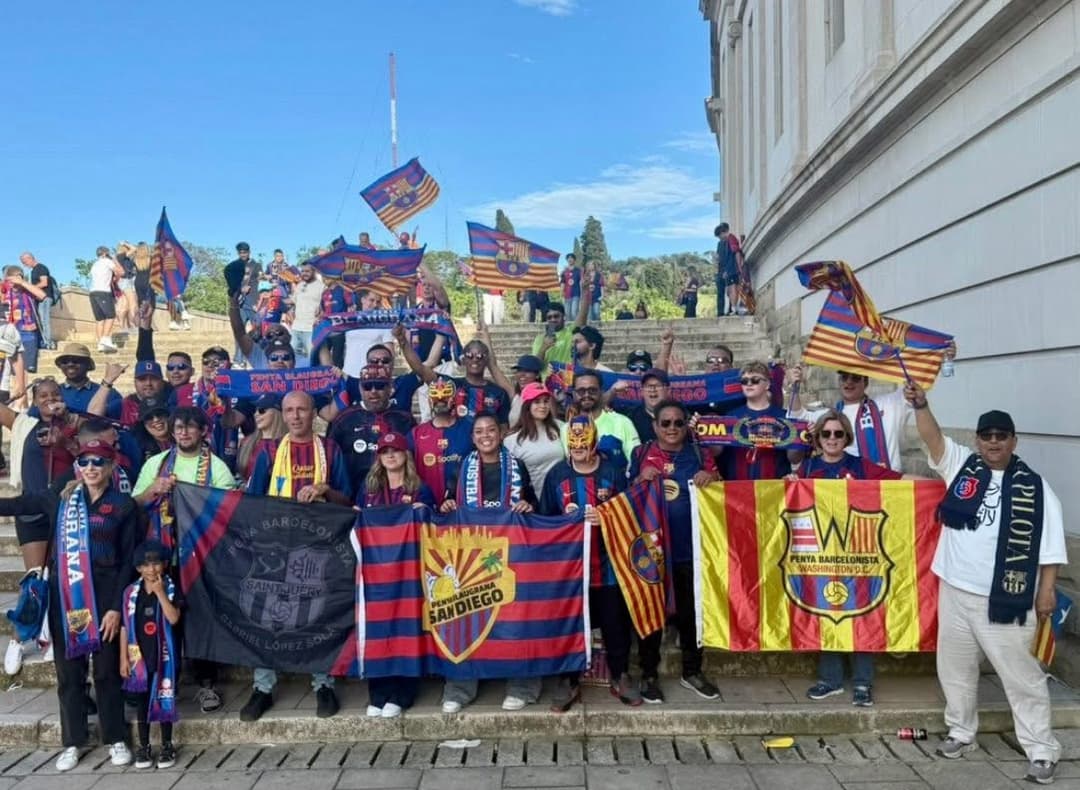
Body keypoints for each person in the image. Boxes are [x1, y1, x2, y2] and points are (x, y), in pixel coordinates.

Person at [907, 383, 1066, 784]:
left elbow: (1050, 548)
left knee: (1022, 677)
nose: (994, 442)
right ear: (977, 440)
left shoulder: (1036, 488)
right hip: (955, 591)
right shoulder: (962, 466)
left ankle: (1042, 750)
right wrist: (922, 404)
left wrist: (1046, 591)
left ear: (1014, 440)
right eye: (987, 436)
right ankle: (961, 732)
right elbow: (933, 437)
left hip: (1006, 600)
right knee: (955, 671)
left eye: (1001, 436)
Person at [0, 439, 140, 771]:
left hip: (105, 598)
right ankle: (73, 741)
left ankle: (115, 738)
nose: (91, 467)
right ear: (77, 466)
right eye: (85, 461)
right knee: (69, 673)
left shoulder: (123, 506)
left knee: (106, 672)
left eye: (98, 461)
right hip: (67, 600)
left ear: (109, 467)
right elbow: (19, 504)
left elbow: (128, 562)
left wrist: (116, 608)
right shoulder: (60, 500)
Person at [243, 391, 352, 721]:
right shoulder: (270, 450)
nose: (295, 416)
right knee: (265, 617)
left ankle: (323, 683)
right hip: (275, 548)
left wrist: (324, 490)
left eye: (302, 410)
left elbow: (347, 501)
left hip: (318, 549)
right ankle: (263, 687)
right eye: (289, 410)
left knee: (317, 615)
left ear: (314, 412)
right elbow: (253, 501)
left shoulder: (330, 449)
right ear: (282, 414)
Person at [791, 410, 906, 709]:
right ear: (817, 438)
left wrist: (942, 485)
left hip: (859, 553)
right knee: (827, 611)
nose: (831, 439)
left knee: (860, 615)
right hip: (821, 555)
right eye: (826, 434)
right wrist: (787, 484)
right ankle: (829, 680)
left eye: (837, 433)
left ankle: (863, 683)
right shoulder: (808, 468)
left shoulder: (860, 466)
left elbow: (900, 482)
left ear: (846, 437)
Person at [133, 406, 238, 714]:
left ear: (204, 432)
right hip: (162, 556)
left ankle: (206, 685)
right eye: (179, 426)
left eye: (191, 427)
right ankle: (167, 682)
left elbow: (227, 511)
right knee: (163, 619)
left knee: (200, 620)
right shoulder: (156, 463)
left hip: (200, 556)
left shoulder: (216, 467)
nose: (184, 432)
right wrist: (154, 489)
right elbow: (135, 504)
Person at [439, 412, 538, 714]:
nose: (485, 436)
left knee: (516, 619)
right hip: (471, 555)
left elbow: (534, 504)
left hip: (511, 553)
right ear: (472, 437)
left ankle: (523, 685)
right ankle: (460, 688)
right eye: (479, 431)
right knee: (465, 617)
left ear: (501, 433)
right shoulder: (460, 467)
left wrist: (528, 506)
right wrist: (446, 505)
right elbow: (446, 503)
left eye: (491, 430)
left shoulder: (517, 465)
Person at [540, 415, 634, 710]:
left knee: (614, 625)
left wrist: (605, 516)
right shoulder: (557, 475)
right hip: (571, 570)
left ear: (594, 442)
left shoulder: (614, 472)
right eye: (574, 445)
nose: (578, 449)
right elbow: (545, 519)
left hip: (609, 566)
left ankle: (620, 676)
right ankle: (568, 680)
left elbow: (630, 513)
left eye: (583, 444)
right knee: (571, 624)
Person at [630, 400, 720, 703]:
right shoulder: (640, 454)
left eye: (678, 423)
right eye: (665, 423)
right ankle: (649, 675)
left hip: (690, 550)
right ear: (654, 425)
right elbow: (626, 497)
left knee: (692, 614)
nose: (671, 428)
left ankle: (692, 671)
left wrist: (714, 480)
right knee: (651, 615)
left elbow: (722, 497)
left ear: (686, 426)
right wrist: (640, 479)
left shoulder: (700, 454)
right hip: (651, 552)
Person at [361, 433, 434, 719]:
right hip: (376, 572)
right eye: (384, 451)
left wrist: (424, 512)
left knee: (406, 630)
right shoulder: (368, 488)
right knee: (378, 632)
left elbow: (433, 525)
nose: (390, 455)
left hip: (408, 572)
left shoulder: (419, 488)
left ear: (407, 454)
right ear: (378, 457)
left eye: (396, 450)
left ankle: (404, 692)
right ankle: (378, 692)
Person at [788, 365, 923, 472]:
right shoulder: (832, 416)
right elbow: (799, 416)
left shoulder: (888, 404)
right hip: (851, 484)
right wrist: (795, 387)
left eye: (855, 378)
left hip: (888, 481)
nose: (849, 382)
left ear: (866, 382)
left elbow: (914, 386)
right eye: (844, 377)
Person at [119, 539, 180, 770]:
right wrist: (123, 658)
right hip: (138, 657)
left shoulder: (171, 587)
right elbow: (125, 626)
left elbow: (173, 618)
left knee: (164, 697)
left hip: (163, 655)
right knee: (142, 703)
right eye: (146, 564)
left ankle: (166, 744)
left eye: (156, 563)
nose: (151, 569)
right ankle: (144, 746)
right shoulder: (129, 593)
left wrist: (161, 593)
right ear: (138, 568)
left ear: (163, 565)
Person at [398, 328, 514, 427]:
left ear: (486, 360)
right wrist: (403, 342)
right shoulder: (451, 385)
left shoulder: (498, 393)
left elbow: (503, 428)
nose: (475, 360)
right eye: (470, 356)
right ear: (463, 360)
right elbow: (420, 369)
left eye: (480, 356)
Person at [328, 365, 415, 486]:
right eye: (367, 386)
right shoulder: (344, 419)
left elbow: (414, 460)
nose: (373, 391)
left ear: (390, 387)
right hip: (354, 497)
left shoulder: (405, 419)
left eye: (379, 386)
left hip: (396, 496)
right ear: (360, 388)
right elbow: (330, 458)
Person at [722, 361, 796, 479]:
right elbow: (717, 452)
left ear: (767, 384)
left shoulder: (784, 417)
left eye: (755, 380)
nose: (749, 384)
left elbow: (794, 457)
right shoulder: (730, 417)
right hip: (738, 489)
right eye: (744, 381)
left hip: (774, 487)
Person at [408, 377, 473, 505]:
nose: (440, 402)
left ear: (453, 400)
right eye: (436, 399)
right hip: (427, 508)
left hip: (462, 509)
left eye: (444, 398)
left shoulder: (470, 429)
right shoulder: (416, 433)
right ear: (429, 401)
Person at [561, 370, 640, 473]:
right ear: (574, 394)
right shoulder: (566, 429)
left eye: (592, 390)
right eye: (581, 391)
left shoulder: (622, 422)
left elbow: (636, 461)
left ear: (601, 392)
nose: (586, 395)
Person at [503, 383, 565, 496]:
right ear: (526, 405)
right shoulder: (511, 440)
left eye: (546, 401)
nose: (543, 406)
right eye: (537, 402)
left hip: (564, 497)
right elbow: (509, 479)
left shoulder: (562, 428)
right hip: (533, 503)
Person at [55, 343, 122, 418]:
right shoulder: (52, 394)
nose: (70, 364)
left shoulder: (110, 394)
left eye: (76, 361)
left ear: (88, 364)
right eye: (65, 362)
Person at [3, 266, 45, 378]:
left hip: (28, 334)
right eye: (10, 280)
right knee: (8, 370)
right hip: (8, 334)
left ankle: (22, 394)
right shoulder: (4, 290)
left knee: (25, 371)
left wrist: (23, 283)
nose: (13, 284)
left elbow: (42, 295)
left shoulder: (27, 291)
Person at [236, 395, 287, 483]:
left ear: (276, 412)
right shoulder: (246, 442)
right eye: (255, 411)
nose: (256, 414)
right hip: (248, 494)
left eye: (261, 411)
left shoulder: (287, 444)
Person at [530, 298, 588, 372]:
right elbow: (535, 366)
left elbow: (583, 315)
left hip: (568, 379)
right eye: (549, 317)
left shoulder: (572, 332)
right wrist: (544, 347)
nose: (553, 319)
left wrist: (585, 291)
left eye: (556, 316)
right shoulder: (539, 339)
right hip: (547, 381)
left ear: (564, 317)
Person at [20, 252, 56, 350]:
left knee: (45, 320)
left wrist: (30, 288)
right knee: (41, 320)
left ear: (29, 258)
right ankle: (43, 341)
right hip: (39, 299)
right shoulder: (33, 271)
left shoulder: (41, 268)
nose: (24, 264)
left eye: (24, 262)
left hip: (45, 298)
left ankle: (48, 342)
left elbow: (44, 283)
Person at [88, 246, 121, 353]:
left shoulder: (95, 264)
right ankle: (105, 339)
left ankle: (100, 344)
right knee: (111, 316)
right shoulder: (107, 261)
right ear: (104, 254)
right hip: (103, 292)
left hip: (93, 292)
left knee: (100, 319)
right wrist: (116, 278)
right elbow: (120, 271)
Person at [288, 262, 323, 358]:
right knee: (292, 358)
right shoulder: (300, 285)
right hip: (296, 328)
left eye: (307, 271)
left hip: (311, 330)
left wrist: (319, 317)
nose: (304, 273)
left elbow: (324, 308)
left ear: (314, 271)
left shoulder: (321, 287)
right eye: (302, 271)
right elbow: (293, 302)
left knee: (310, 359)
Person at [626, 368, 670, 443]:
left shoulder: (679, 415)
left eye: (658, 385)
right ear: (641, 392)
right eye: (648, 386)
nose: (653, 389)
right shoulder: (631, 417)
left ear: (668, 391)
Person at [507, 355, 543, 427]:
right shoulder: (516, 395)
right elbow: (494, 367)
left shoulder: (545, 398)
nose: (522, 374)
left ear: (537, 375)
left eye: (527, 371)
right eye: (519, 370)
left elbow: (552, 426)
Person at [714, 223, 742, 317]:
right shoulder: (722, 243)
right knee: (730, 289)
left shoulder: (731, 238)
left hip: (732, 268)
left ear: (724, 232)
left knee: (732, 287)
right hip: (727, 269)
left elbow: (736, 253)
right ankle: (732, 308)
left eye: (720, 236)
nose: (720, 238)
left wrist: (739, 267)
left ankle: (734, 308)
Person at [560, 253, 581, 320]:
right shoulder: (564, 272)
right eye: (568, 258)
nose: (570, 259)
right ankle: (569, 330)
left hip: (576, 294)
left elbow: (581, 282)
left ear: (574, 260)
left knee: (574, 312)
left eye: (571, 258)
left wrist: (582, 293)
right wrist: (561, 292)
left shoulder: (578, 271)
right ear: (567, 260)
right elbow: (562, 283)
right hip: (567, 295)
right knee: (567, 314)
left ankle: (576, 329)